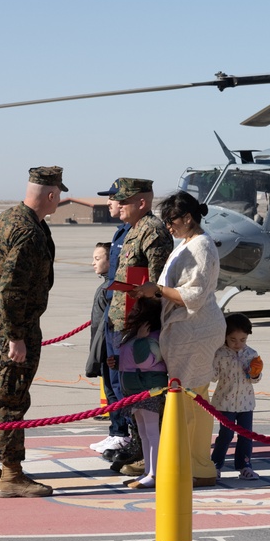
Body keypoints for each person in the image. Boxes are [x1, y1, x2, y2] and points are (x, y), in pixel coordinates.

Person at [0, 166, 66, 498]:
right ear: (51, 194)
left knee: (0, 397)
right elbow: (11, 287)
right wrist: (15, 335)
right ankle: (11, 474)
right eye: (59, 194)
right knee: (11, 400)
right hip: (14, 328)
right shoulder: (28, 232)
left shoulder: (8, 219)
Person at [132, 191, 224, 488]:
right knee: (190, 398)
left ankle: (195, 465)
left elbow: (193, 295)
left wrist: (155, 291)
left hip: (194, 329)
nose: (168, 227)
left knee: (188, 401)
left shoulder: (201, 246)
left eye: (171, 221)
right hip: (185, 328)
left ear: (188, 218)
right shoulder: (188, 242)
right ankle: (193, 462)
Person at [104, 178, 172, 468]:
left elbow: (157, 286)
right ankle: (138, 443)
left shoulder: (152, 231)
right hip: (122, 321)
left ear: (141, 202)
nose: (117, 205)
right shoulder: (132, 230)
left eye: (123, 200)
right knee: (126, 387)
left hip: (139, 325)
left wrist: (145, 327)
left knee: (143, 390)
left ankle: (147, 451)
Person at [90, 181, 133, 453]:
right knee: (111, 382)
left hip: (124, 329)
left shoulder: (138, 233)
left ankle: (127, 435)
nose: (109, 202)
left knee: (121, 383)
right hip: (111, 328)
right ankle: (117, 431)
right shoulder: (121, 233)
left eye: (114, 198)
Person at [117, 298, 166, 490]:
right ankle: (148, 470)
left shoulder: (152, 336)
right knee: (144, 432)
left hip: (148, 388)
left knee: (152, 432)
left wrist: (141, 340)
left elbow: (144, 362)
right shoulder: (134, 334)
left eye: (138, 308)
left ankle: (155, 473)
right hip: (134, 389)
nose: (132, 311)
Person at [210, 313, 263, 480]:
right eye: (233, 339)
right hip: (225, 403)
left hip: (246, 403)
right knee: (225, 435)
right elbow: (213, 377)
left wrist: (255, 373)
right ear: (225, 336)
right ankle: (216, 464)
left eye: (242, 340)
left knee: (246, 435)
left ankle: (245, 465)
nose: (238, 344)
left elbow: (256, 380)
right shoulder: (220, 354)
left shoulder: (251, 354)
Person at [85, 242, 110, 381]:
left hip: (105, 353)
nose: (93, 263)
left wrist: (95, 360)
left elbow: (101, 329)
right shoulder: (105, 287)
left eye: (97, 259)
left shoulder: (107, 289)